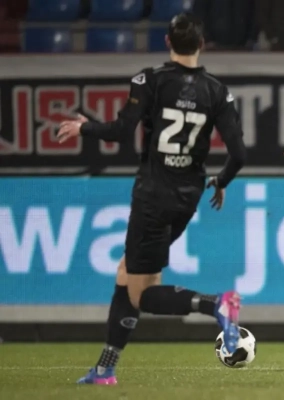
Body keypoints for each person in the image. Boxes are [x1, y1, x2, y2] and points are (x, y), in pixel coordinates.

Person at [57, 13, 247, 384]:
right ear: (202, 44)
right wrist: (221, 181)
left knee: (140, 294)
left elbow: (121, 130)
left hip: (153, 195)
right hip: (188, 196)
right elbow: (238, 154)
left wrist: (84, 127)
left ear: (167, 42)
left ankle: (216, 304)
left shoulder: (151, 80)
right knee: (127, 273)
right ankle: (105, 368)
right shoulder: (217, 91)